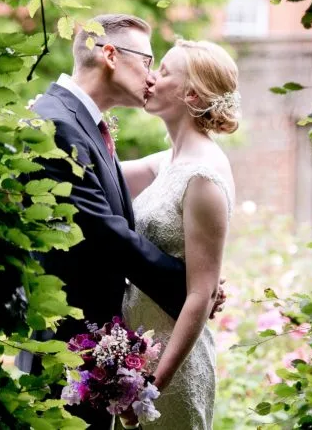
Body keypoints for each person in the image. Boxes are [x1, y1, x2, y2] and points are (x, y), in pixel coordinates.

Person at [15, 15, 225, 430]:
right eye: (148, 61)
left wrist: (201, 282)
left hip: (89, 353)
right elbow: (103, 229)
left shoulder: (83, 122)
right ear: (110, 55)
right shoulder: (57, 122)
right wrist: (191, 287)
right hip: (64, 353)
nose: (150, 77)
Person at [116, 39, 240, 429]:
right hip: (138, 359)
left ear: (191, 93)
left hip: (171, 373)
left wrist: (151, 387)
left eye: (164, 71)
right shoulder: (168, 160)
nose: (151, 77)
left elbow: (201, 296)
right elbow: (98, 175)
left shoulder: (202, 176)